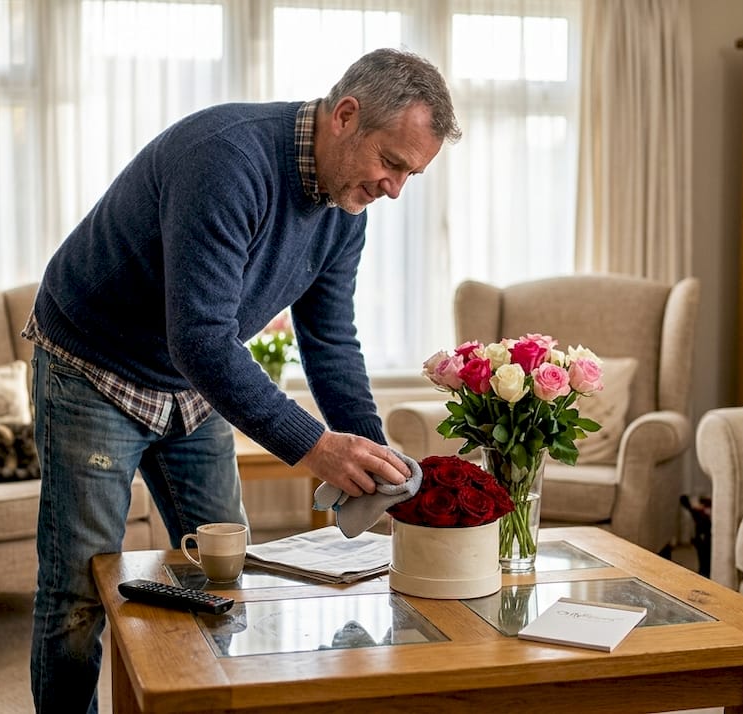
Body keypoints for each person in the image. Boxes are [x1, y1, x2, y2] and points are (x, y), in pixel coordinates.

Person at [23, 47, 461, 713]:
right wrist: (316, 447)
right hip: (93, 367)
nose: (394, 188)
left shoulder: (347, 213)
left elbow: (331, 343)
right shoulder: (227, 160)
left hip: (191, 383)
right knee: (79, 594)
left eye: (410, 175)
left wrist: (374, 455)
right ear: (346, 115)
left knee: (225, 577)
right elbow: (199, 336)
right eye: (392, 163)